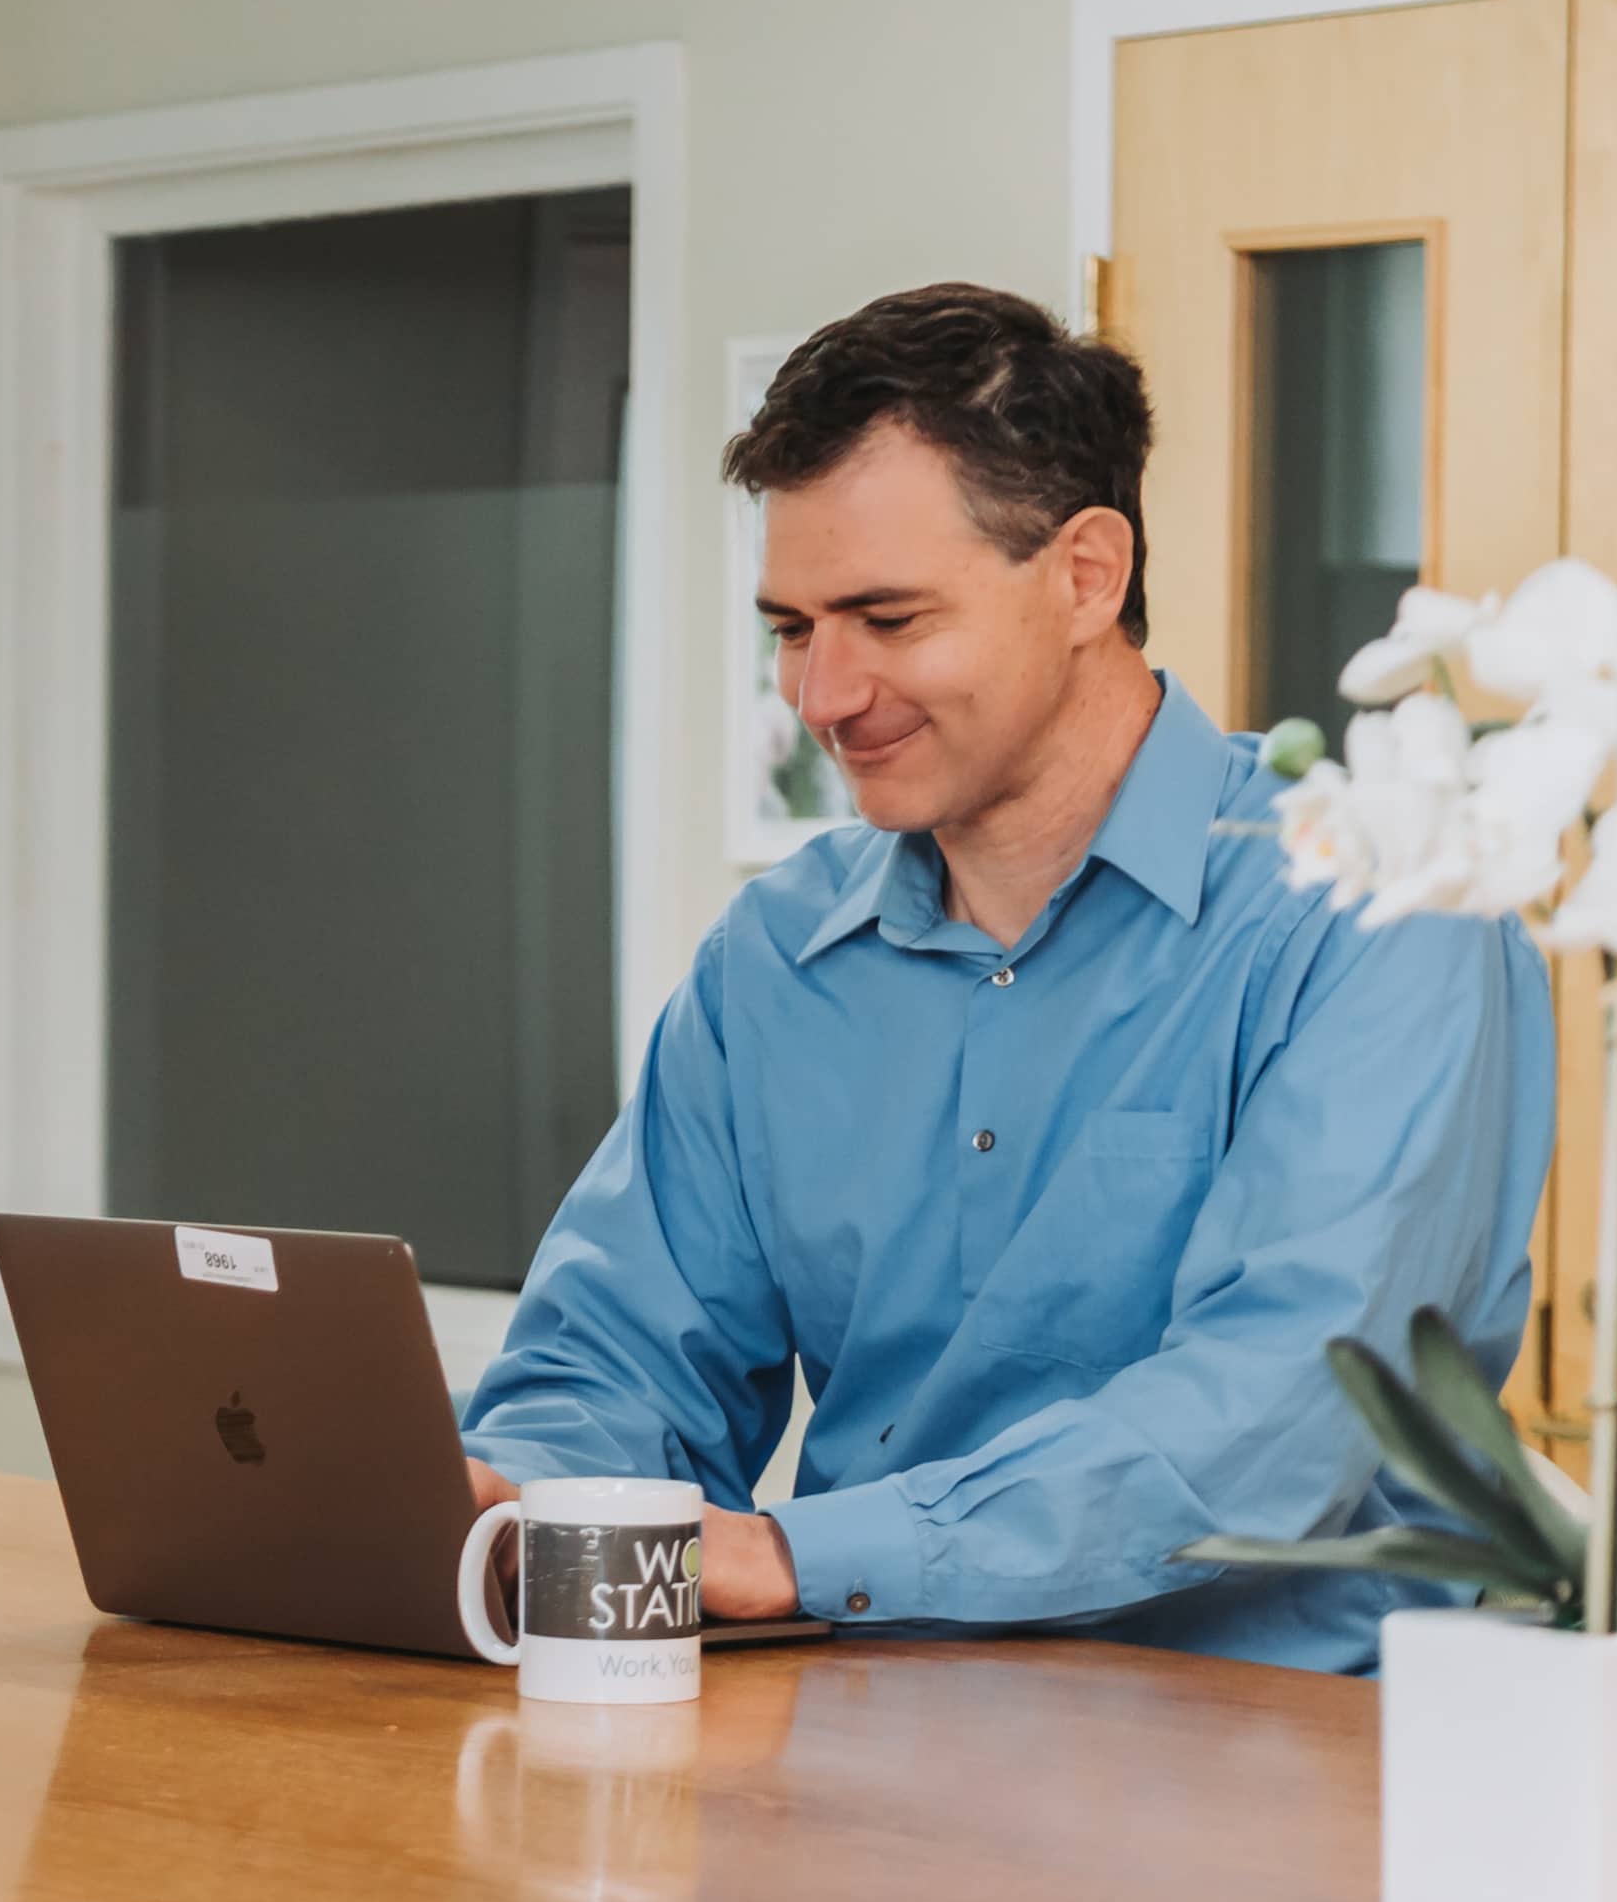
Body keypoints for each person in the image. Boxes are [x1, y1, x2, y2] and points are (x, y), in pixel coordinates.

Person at [460, 284, 1553, 1667]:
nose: (821, 697)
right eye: (791, 628)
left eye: (886, 619)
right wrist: (510, 1495)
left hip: (1284, 1763)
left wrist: (795, 1554)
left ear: (1086, 576)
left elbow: (1280, 1417)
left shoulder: (1382, 910)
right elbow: (622, 1358)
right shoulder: (772, 965)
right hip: (856, 1740)